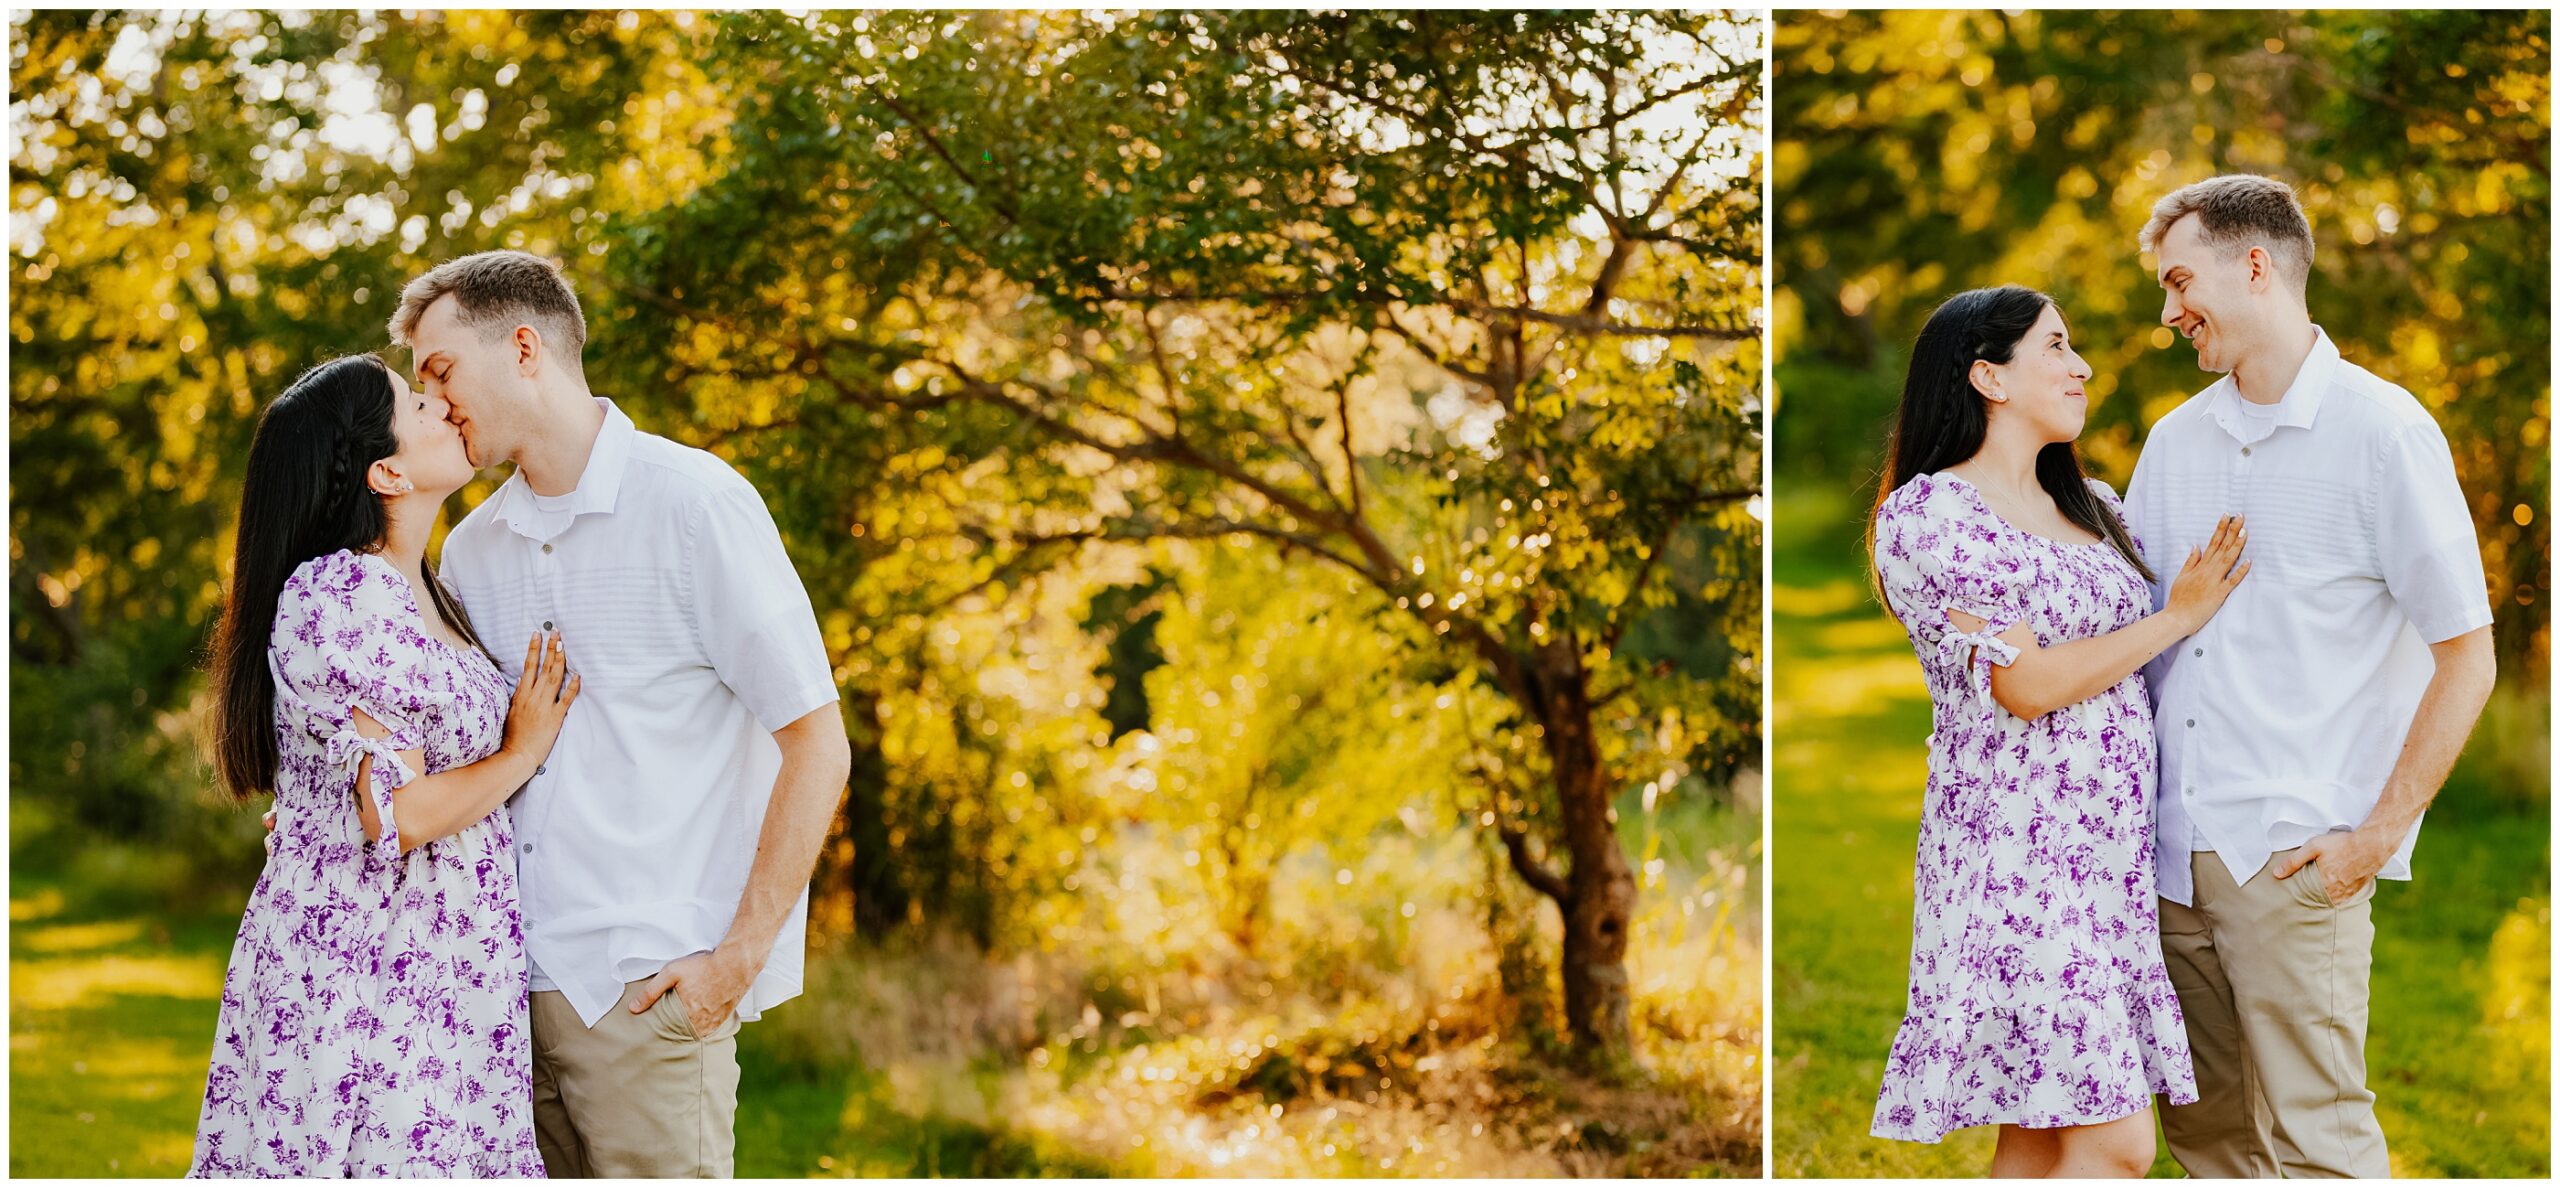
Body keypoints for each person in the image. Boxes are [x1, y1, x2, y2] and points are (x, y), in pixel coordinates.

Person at [390, 250, 853, 1177]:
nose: (431, 404)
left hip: (644, 1002)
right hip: (497, 1005)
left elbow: (816, 742)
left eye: (440, 371)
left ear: (524, 347)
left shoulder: (697, 505)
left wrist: (733, 966)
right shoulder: (474, 548)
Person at [2129, 174, 2496, 1179]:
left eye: (2177, 282)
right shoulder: (2171, 443)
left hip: (2292, 861)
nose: (2165, 314)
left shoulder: (2383, 433)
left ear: (2254, 265)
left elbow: (2467, 649)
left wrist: (2375, 835)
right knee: (2206, 1142)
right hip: (2166, 859)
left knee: (2314, 1141)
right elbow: (2145, 637)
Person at [1866, 285, 2249, 1177]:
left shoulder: (2096, 506)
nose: (2081, 367)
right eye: (2058, 347)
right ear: (1988, 376)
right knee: (2115, 1145)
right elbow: (2027, 684)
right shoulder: (1932, 517)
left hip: (2104, 860)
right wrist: (2177, 616)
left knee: (2040, 1139)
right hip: (2014, 856)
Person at [192, 353, 576, 1176]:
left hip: (445, 969)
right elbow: (394, 815)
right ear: (386, 471)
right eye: (415, 402)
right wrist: (524, 751)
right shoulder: (344, 591)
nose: (441, 403)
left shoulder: (430, 593)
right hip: (373, 974)